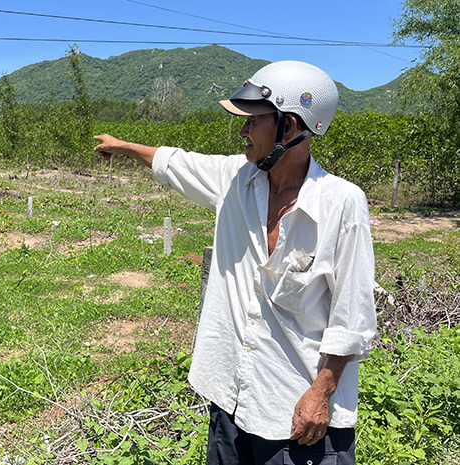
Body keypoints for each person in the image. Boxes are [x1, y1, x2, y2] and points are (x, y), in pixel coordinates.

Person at [93, 61, 376, 465]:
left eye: (252, 121)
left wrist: (320, 394)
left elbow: (353, 316)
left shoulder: (341, 204)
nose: (243, 132)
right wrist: (123, 147)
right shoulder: (234, 180)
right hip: (232, 400)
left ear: (290, 127)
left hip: (299, 416)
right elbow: (175, 161)